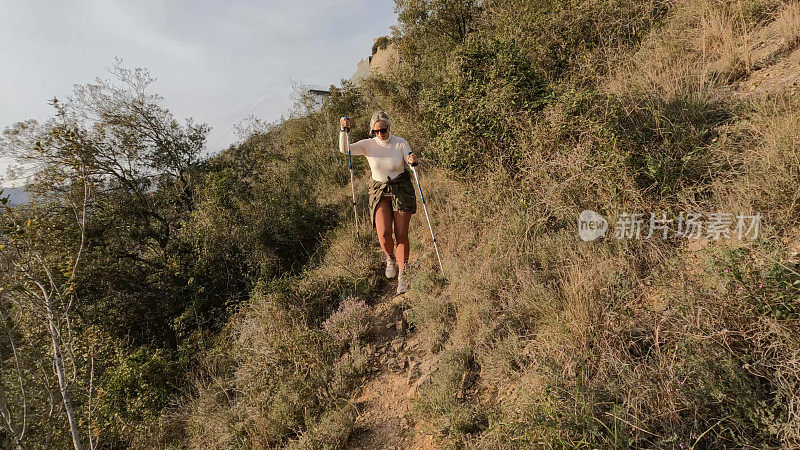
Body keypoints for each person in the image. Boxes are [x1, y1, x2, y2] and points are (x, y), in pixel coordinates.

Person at [339, 111, 418, 294]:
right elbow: (345, 150)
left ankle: (402, 276)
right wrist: (343, 130)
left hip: (400, 188)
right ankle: (389, 257)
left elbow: (409, 156)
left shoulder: (400, 142)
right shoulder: (368, 145)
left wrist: (412, 160)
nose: (380, 134)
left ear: (389, 127)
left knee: (401, 234)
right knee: (383, 233)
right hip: (379, 190)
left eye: (383, 130)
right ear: (372, 131)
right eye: (376, 131)